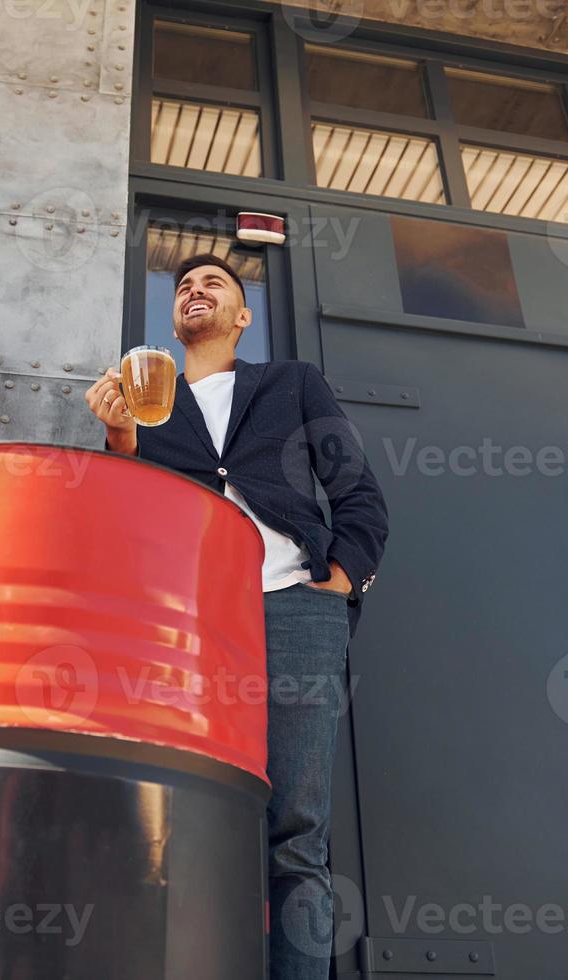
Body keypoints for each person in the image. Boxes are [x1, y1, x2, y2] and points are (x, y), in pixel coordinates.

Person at [85, 252, 389, 979]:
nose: (195, 290)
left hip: (294, 610)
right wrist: (119, 441)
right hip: (186, 621)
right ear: (173, 315)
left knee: (295, 831)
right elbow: (128, 522)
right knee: (178, 822)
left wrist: (342, 579)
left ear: (242, 317)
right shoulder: (148, 399)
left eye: (213, 284)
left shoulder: (290, 383)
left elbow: (357, 490)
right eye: (184, 285)